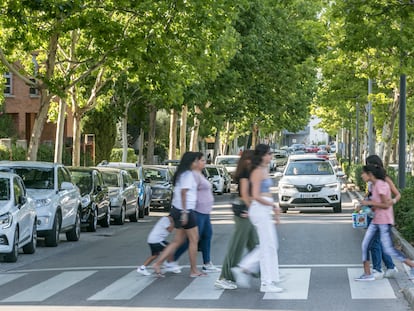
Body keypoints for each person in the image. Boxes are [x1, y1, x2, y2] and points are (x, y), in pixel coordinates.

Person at [231, 144, 284, 293]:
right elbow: (255, 195)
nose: (270, 156)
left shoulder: (264, 170)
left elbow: (266, 193)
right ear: (261, 156)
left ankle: (247, 269)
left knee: (271, 245)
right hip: (259, 209)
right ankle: (265, 282)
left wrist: (274, 209)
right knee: (268, 246)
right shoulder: (257, 172)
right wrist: (272, 205)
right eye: (268, 154)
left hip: (264, 209)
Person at [355, 165, 414, 281]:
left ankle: (412, 265)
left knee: (388, 249)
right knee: (365, 244)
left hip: (384, 221)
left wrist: (368, 203)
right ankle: (367, 274)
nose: (362, 175)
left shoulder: (381, 185)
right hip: (377, 220)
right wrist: (368, 209)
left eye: (363, 173)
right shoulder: (375, 185)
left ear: (370, 174)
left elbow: (386, 205)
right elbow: (378, 205)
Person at [152, 152, 205, 277]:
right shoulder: (187, 175)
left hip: (178, 209)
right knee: (194, 240)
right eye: (197, 161)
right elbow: (183, 193)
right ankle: (193, 270)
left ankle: (158, 263)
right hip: (185, 210)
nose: (199, 163)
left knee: (177, 241)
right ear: (191, 162)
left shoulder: (182, 174)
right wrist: (185, 213)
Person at [214, 150, 259, 290]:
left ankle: (266, 274)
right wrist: (253, 210)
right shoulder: (245, 174)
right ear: (247, 160)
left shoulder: (249, 172)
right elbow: (245, 195)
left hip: (246, 210)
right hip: (244, 211)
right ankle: (225, 277)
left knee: (256, 245)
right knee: (237, 246)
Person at [171, 152, 219, 273]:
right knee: (192, 239)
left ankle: (207, 263)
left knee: (207, 235)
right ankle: (172, 260)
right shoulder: (192, 175)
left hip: (204, 211)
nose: (204, 162)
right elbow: (186, 192)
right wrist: (185, 211)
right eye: (201, 160)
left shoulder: (199, 174)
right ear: (195, 162)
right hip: (197, 210)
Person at [365, 155, 401, 279]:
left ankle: (377, 269)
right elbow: (370, 195)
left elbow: (397, 194)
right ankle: (390, 267)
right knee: (379, 243)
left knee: (374, 243)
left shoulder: (385, 180)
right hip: (372, 214)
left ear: (376, 165)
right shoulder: (371, 180)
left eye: (369, 164)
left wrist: (392, 201)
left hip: (382, 215)